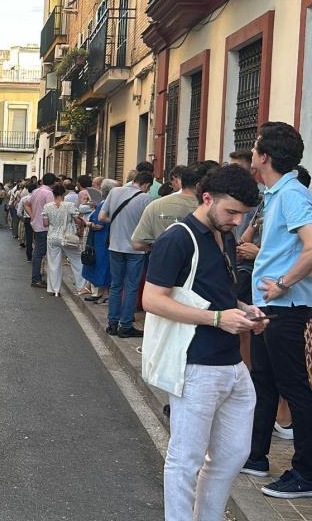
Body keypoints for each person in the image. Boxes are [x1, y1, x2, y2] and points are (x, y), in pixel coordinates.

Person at [142, 165, 265, 519]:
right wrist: (217, 319)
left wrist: (244, 311)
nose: (237, 222)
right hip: (196, 365)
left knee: (232, 456)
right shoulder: (177, 238)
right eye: (232, 212)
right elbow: (153, 300)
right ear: (207, 198)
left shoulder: (223, 235)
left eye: (243, 214)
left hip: (231, 365)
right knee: (187, 458)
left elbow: (217, 294)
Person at [243, 123, 312, 496]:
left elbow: (311, 247)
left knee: (295, 389)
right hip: (269, 306)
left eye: (254, 149)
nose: (251, 154)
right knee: (264, 382)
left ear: (264, 156)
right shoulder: (277, 193)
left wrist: (283, 283)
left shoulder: (293, 194)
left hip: (286, 306)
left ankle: (306, 473)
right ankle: (256, 457)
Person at [100, 172, 154, 338]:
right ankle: (125, 325)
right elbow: (148, 226)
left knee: (116, 285)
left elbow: (102, 216)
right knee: (131, 287)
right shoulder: (146, 199)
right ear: (145, 185)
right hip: (135, 249)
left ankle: (112, 323)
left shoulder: (115, 192)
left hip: (115, 246)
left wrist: (117, 222)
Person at [131, 163, 207, 253]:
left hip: (161, 261)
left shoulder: (155, 205)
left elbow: (137, 244)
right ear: (199, 185)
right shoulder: (209, 208)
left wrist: (159, 247)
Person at [42, 184, 86, 297]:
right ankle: (81, 287)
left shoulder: (47, 206)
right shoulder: (69, 205)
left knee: (53, 264)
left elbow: (45, 223)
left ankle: (54, 289)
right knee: (77, 261)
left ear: (53, 194)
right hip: (68, 237)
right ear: (64, 193)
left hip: (52, 237)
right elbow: (78, 220)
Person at [83, 179, 116, 303]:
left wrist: (88, 223)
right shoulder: (109, 203)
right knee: (104, 265)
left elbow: (99, 225)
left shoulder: (104, 204)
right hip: (105, 239)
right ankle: (103, 293)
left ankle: (102, 294)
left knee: (100, 265)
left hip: (100, 239)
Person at [25, 174, 56, 287]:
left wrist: (33, 215)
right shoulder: (48, 193)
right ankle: (36, 278)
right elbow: (50, 210)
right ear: (53, 183)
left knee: (38, 252)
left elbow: (26, 203)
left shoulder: (36, 191)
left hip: (36, 225)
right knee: (39, 253)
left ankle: (37, 277)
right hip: (44, 227)